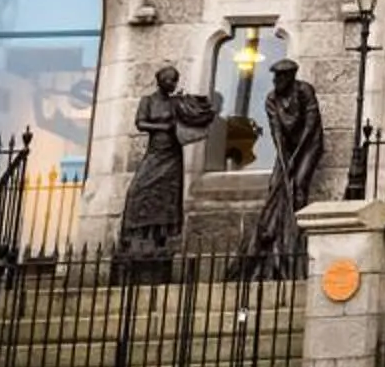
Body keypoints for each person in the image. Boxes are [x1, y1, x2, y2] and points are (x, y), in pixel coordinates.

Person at [115, 61, 218, 270]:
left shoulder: (176, 102)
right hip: (155, 153)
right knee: (138, 190)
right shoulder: (148, 101)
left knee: (167, 197)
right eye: (169, 80)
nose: (172, 84)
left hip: (172, 155)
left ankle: (160, 240)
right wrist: (162, 126)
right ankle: (135, 236)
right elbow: (140, 122)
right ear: (160, 81)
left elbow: (199, 114)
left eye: (175, 80)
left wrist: (193, 102)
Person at [241, 58, 328, 272]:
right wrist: (283, 157)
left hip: (309, 144)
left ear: (290, 76)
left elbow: (311, 124)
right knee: (275, 184)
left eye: (280, 76)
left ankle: (295, 234)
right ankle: (277, 231)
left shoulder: (305, 91)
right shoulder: (272, 99)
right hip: (287, 146)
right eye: (274, 75)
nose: (275, 80)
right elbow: (276, 131)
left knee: (298, 184)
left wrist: (297, 156)